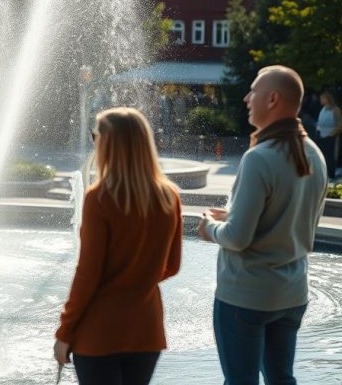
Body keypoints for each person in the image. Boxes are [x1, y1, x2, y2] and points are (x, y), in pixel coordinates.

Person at [198, 65, 329, 385]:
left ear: (272, 99)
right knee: (282, 379)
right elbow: (294, 220)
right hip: (292, 294)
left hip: (246, 296)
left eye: (253, 90)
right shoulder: (314, 154)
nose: (246, 98)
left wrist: (209, 229)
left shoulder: (259, 157)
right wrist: (234, 214)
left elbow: (238, 239)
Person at [54, 107, 182, 385]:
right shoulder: (169, 197)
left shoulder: (99, 198)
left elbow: (88, 274)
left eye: (95, 136)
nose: (93, 143)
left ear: (109, 143)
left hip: (99, 331)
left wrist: (64, 333)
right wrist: (138, 277)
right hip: (146, 330)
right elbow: (172, 266)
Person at [316, 91, 340, 179]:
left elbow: (339, 124)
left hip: (331, 136)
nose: (320, 100)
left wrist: (332, 134)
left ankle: (332, 174)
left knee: (331, 157)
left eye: (322, 98)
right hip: (322, 136)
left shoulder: (335, 110)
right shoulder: (323, 109)